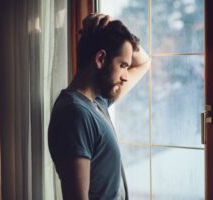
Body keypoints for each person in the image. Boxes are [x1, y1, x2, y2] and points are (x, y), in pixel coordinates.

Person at [48, 13, 151, 200]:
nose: (126, 75)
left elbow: (144, 62)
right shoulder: (75, 114)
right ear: (101, 59)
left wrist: (112, 27)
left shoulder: (98, 102)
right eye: (123, 65)